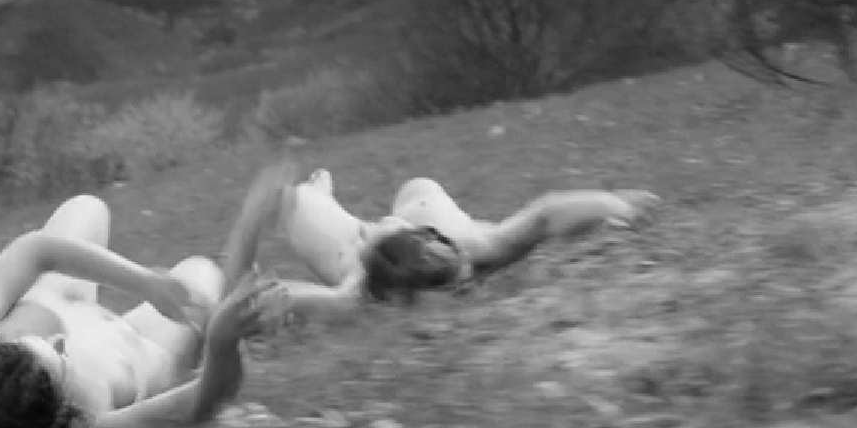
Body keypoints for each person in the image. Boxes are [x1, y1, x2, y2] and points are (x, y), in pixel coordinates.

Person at [0, 163, 294, 428]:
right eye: (61, 360)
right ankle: (263, 293)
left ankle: (260, 295)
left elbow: (36, 250)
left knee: (86, 208)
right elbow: (203, 398)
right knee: (200, 275)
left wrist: (145, 283)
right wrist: (221, 341)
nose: (61, 341)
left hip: (69, 303)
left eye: (29, 342)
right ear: (61, 414)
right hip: (139, 346)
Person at [255, 164, 659, 320]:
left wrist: (616, 205)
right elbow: (296, 299)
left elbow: (544, 215)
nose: (467, 286)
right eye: (457, 287)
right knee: (294, 202)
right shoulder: (362, 286)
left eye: (461, 281)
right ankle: (320, 196)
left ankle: (324, 201)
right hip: (384, 240)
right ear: (402, 297)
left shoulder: (471, 249)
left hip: (425, 213)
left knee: (435, 204)